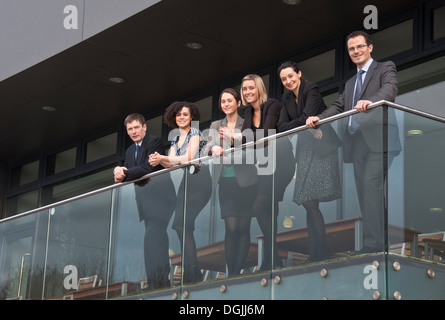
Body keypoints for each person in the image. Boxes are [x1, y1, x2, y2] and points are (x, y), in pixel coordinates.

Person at [306, 31, 402, 253]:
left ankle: (374, 245)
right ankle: (378, 242)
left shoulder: (385, 67)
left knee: (371, 185)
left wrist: (371, 101)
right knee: (366, 192)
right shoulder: (350, 83)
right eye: (352, 49)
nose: (356, 51)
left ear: (370, 48)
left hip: (381, 141)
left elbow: (390, 89)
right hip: (357, 143)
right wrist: (320, 118)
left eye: (360, 47)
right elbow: (340, 106)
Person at [277, 61, 341, 262]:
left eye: (291, 76)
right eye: (284, 79)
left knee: (310, 200)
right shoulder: (286, 97)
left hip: (321, 148)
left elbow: (307, 117)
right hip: (305, 148)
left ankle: (319, 252)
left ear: (299, 73)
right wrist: (298, 125)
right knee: (308, 201)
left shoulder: (311, 88)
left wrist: (295, 125)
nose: (288, 81)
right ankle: (316, 252)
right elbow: (281, 126)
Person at [149, 101, 211, 283]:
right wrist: (158, 159)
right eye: (178, 115)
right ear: (173, 118)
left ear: (192, 117)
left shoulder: (195, 134)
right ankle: (192, 271)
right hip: (187, 181)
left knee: (186, 223)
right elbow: (172, 164)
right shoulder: (176, 139)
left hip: (200, 178)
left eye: (185, 114)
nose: (182, 117)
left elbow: (188, 158)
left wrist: (163, 157)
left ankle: (193, 272)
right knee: (179, 225)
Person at [113, 113, 176, 289]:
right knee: (158, 240)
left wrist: (126, 172)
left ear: (144, 127)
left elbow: (148, 168)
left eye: (136, 127)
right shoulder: (129, 151)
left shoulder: (153, 142)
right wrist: (118, 172)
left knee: (151, 241)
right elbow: (130, 174)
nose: (133, 132)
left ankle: (156, 282)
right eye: (130, 129)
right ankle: (161, 280)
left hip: (162, 200)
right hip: (146, 204)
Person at [240, 74, 295, 271]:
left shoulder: (272, 105)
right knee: (269, 208)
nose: (248, 92)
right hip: (265, 164)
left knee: (259, 205)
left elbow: (267, 134)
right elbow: (248, 142)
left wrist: (239, 136)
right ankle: (272, 259)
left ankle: (273, 257)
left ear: (259, 89)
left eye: (251, 88)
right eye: (245, 89)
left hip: (282, 161)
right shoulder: (248, 112)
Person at [206, 88, 257, 276]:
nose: (226, 104)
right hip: (225, 182)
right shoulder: (215, 125)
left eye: (229, 101)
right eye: (223, 101)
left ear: (238, 103)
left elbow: (253, 151)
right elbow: (207, 149)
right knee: (232, 227)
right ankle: (232, 272)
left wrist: (232, 141)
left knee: (244, 227)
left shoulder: (247, 123)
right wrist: (214, 150)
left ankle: (238, 271)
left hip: (246, 181)